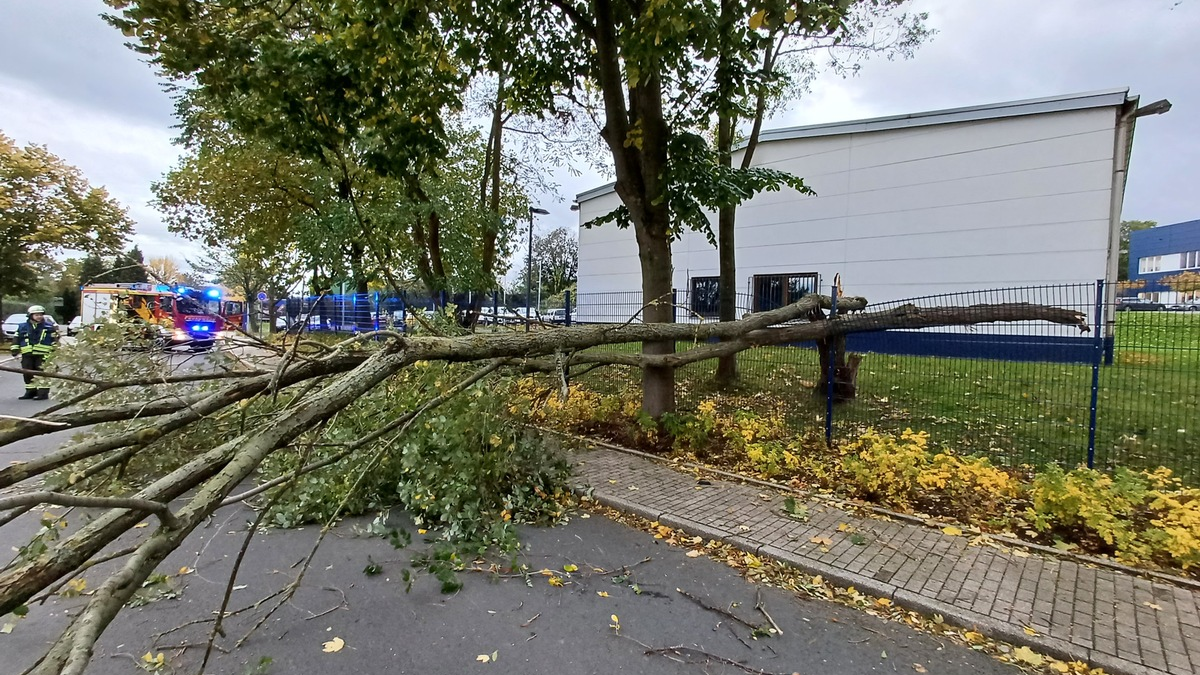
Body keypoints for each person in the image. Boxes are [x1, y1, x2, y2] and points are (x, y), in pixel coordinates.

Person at [10, 305, 56, 400]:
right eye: (36, 315)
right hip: (27, 354)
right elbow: (16, 339)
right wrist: (15, 350)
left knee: (42, 373)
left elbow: (55, 340)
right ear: (30, 316)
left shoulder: (49, 327)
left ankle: (42, 393)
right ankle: (30, 392)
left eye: (41, 315)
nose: (39, 316)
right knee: (27, 373)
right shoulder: (22, 327)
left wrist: (54, 353)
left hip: (43, 354)